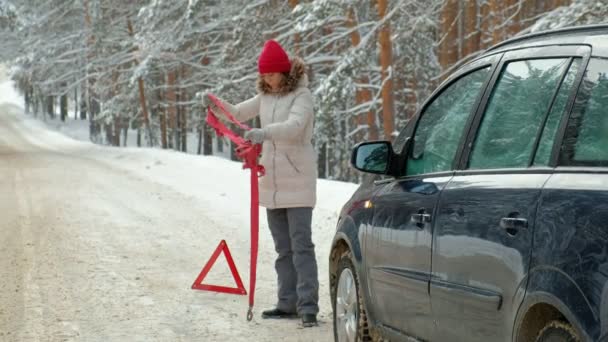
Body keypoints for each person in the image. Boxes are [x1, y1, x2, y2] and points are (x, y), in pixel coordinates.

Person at [202, 40, 319, 327]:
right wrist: (217, 106)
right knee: (283, 249)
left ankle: (308, 308)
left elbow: (293, 128)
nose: (265, 78)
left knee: (301, 246)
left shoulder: (302, 96)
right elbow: (238, 113)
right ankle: (286, 303)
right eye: (262, 74)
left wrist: (262, 133)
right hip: (271, 183)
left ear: (283, 71)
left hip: (298, 181)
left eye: (270, 74)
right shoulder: (265, 97)